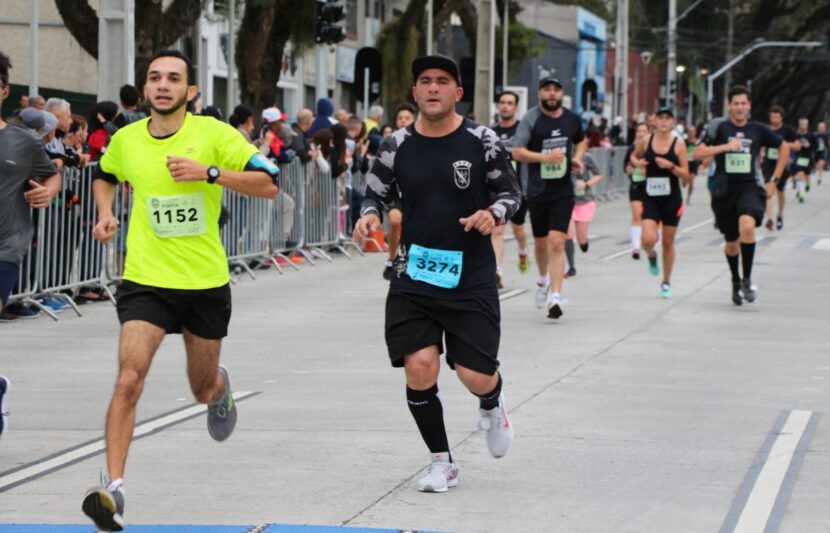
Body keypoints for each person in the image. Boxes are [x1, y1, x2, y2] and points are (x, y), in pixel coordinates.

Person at [81, 49, 279, 531]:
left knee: (199, 387)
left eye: (174, 78)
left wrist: (209, 173)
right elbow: (105, 174)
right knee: (130, 377)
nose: (163, 85)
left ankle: (219, 388)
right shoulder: (127, 139)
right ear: (145, 89)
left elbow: (269, 182)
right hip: (146, 278)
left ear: (191, 91)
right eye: (154, 78)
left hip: (204, 283)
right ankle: (115, 491)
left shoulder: (213, 134)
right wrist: (105, 213)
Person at [353, 54, 520, 493]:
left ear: (457, 92)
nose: (432, 88)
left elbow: (511, 193)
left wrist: (492, 212)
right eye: (424, 81)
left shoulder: (483, 140)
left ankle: (492, 400)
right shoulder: (397, 144)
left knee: (473, 373)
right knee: (420, 366)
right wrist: (368, 215)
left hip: (471, 274)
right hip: (414, 273)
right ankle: (441, 461)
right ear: (414, 92)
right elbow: (373, 192)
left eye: (442, 81)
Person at [692, 85, 788, 306]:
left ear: (749, 105)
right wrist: (724, 147)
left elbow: (783, 148)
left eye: (743, 103)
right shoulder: (719, 127)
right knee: (731, 243)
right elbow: (696, 153)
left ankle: (747, 279)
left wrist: (774, 180)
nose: (739, 107)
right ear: (729, 105)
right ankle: (735, 280)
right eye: (735, 103)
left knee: (747, 226)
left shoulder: (758, 129)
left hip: (750, 187)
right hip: (724, 190)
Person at [511, 77, 586, 319]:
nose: (551, 94)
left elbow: (581, 140)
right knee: (541, 242)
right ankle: (543, 280)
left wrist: (578, 158)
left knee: (557, 241)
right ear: (539, 94)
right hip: (537, 189)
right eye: (547, 90)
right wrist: (545, 158)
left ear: (561, 94)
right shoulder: (531, 119)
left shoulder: (572, 119)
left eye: (556, 90)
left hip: (564, 189)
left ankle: (555, 295)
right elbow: (517, 151)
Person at [631, 107, 690, 298]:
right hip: (650, 197)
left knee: (668, 242)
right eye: (660, 118)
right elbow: (633, 155)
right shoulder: (647, 140)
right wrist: (637, 163)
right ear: (654, 121)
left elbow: (686, 175)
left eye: (667, 118)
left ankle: (666, 281)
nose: (664, 122)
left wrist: (671, 166)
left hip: (671, 199)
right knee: (647, 239)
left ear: (672, 122)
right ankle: (651, 255)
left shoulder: (679, 144)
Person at [490, 90, 531, 288]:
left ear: (515, 107)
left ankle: (523, 250)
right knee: (497, 231)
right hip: (497, 190)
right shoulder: (490, 132)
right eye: (502, 102)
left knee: (519, 230)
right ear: (498, 106)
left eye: (509, 103)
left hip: (518, 188)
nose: (505, 106)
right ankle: (496, 271)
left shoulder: (522, 131)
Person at [381, 103, 418, 280]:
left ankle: (412, 261)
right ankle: (392, 258)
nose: (403, 121)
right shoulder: (390, 142)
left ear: (414, 120)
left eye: (407, 118)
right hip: (397, 191)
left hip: (418, 192)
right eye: (400, 118)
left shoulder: (422, 139)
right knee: (395, 221)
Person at [564, 152, 603, 277]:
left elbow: (598, 175)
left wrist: (586, 184)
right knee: (568, 234)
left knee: (581, 238)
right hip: (567, 201)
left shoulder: (586, 157)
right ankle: (571, 267)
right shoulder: (561, 154)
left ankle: (584, 243)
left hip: (584, 201)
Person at [761, 106, 799, 230]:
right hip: (768, 164)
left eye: (777, 117)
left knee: (780, 191)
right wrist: (761, 155)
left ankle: (780, 215)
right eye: (772, 117)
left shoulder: (788, 130)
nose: (774, 119)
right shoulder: (766, 129)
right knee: (768, 191)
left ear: (782, 117)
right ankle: (769, 219)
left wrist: (783, 145)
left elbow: (798, 146)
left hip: (782, 166)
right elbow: (761, 144)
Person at [625, 122, 650, 259]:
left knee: (647, 217)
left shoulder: (653, 148)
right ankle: (636, 247)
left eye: (644, 131)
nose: (641, 133)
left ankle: (650, 236)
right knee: (636, 215)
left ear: (648, 133)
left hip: (650, 188)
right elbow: (625, 166)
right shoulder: (631, 149)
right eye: (639, 131)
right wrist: (628, 170)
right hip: (635, 186)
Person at [793, 118, 816, 203]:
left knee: (806, 175)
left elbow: (816, 146)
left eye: (804, 124)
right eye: (801, 124)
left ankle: (807, 185)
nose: (802, 126)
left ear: (807, 125)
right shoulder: (797, 135)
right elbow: (792, 144)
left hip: (808, 158)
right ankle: (801, 193)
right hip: (799, 157)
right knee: (800, 173)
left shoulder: (811, 135)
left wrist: (809, 145)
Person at [814, 120, 827, 186]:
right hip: (816, 152)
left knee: (821, 164)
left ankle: (819, 178)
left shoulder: (827, 135)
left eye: (823, 127)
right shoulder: (815, 135)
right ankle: (817, 172)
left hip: (824, 152)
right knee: (817, 166)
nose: (821, 129)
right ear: (818, 128)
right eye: (820, 127)